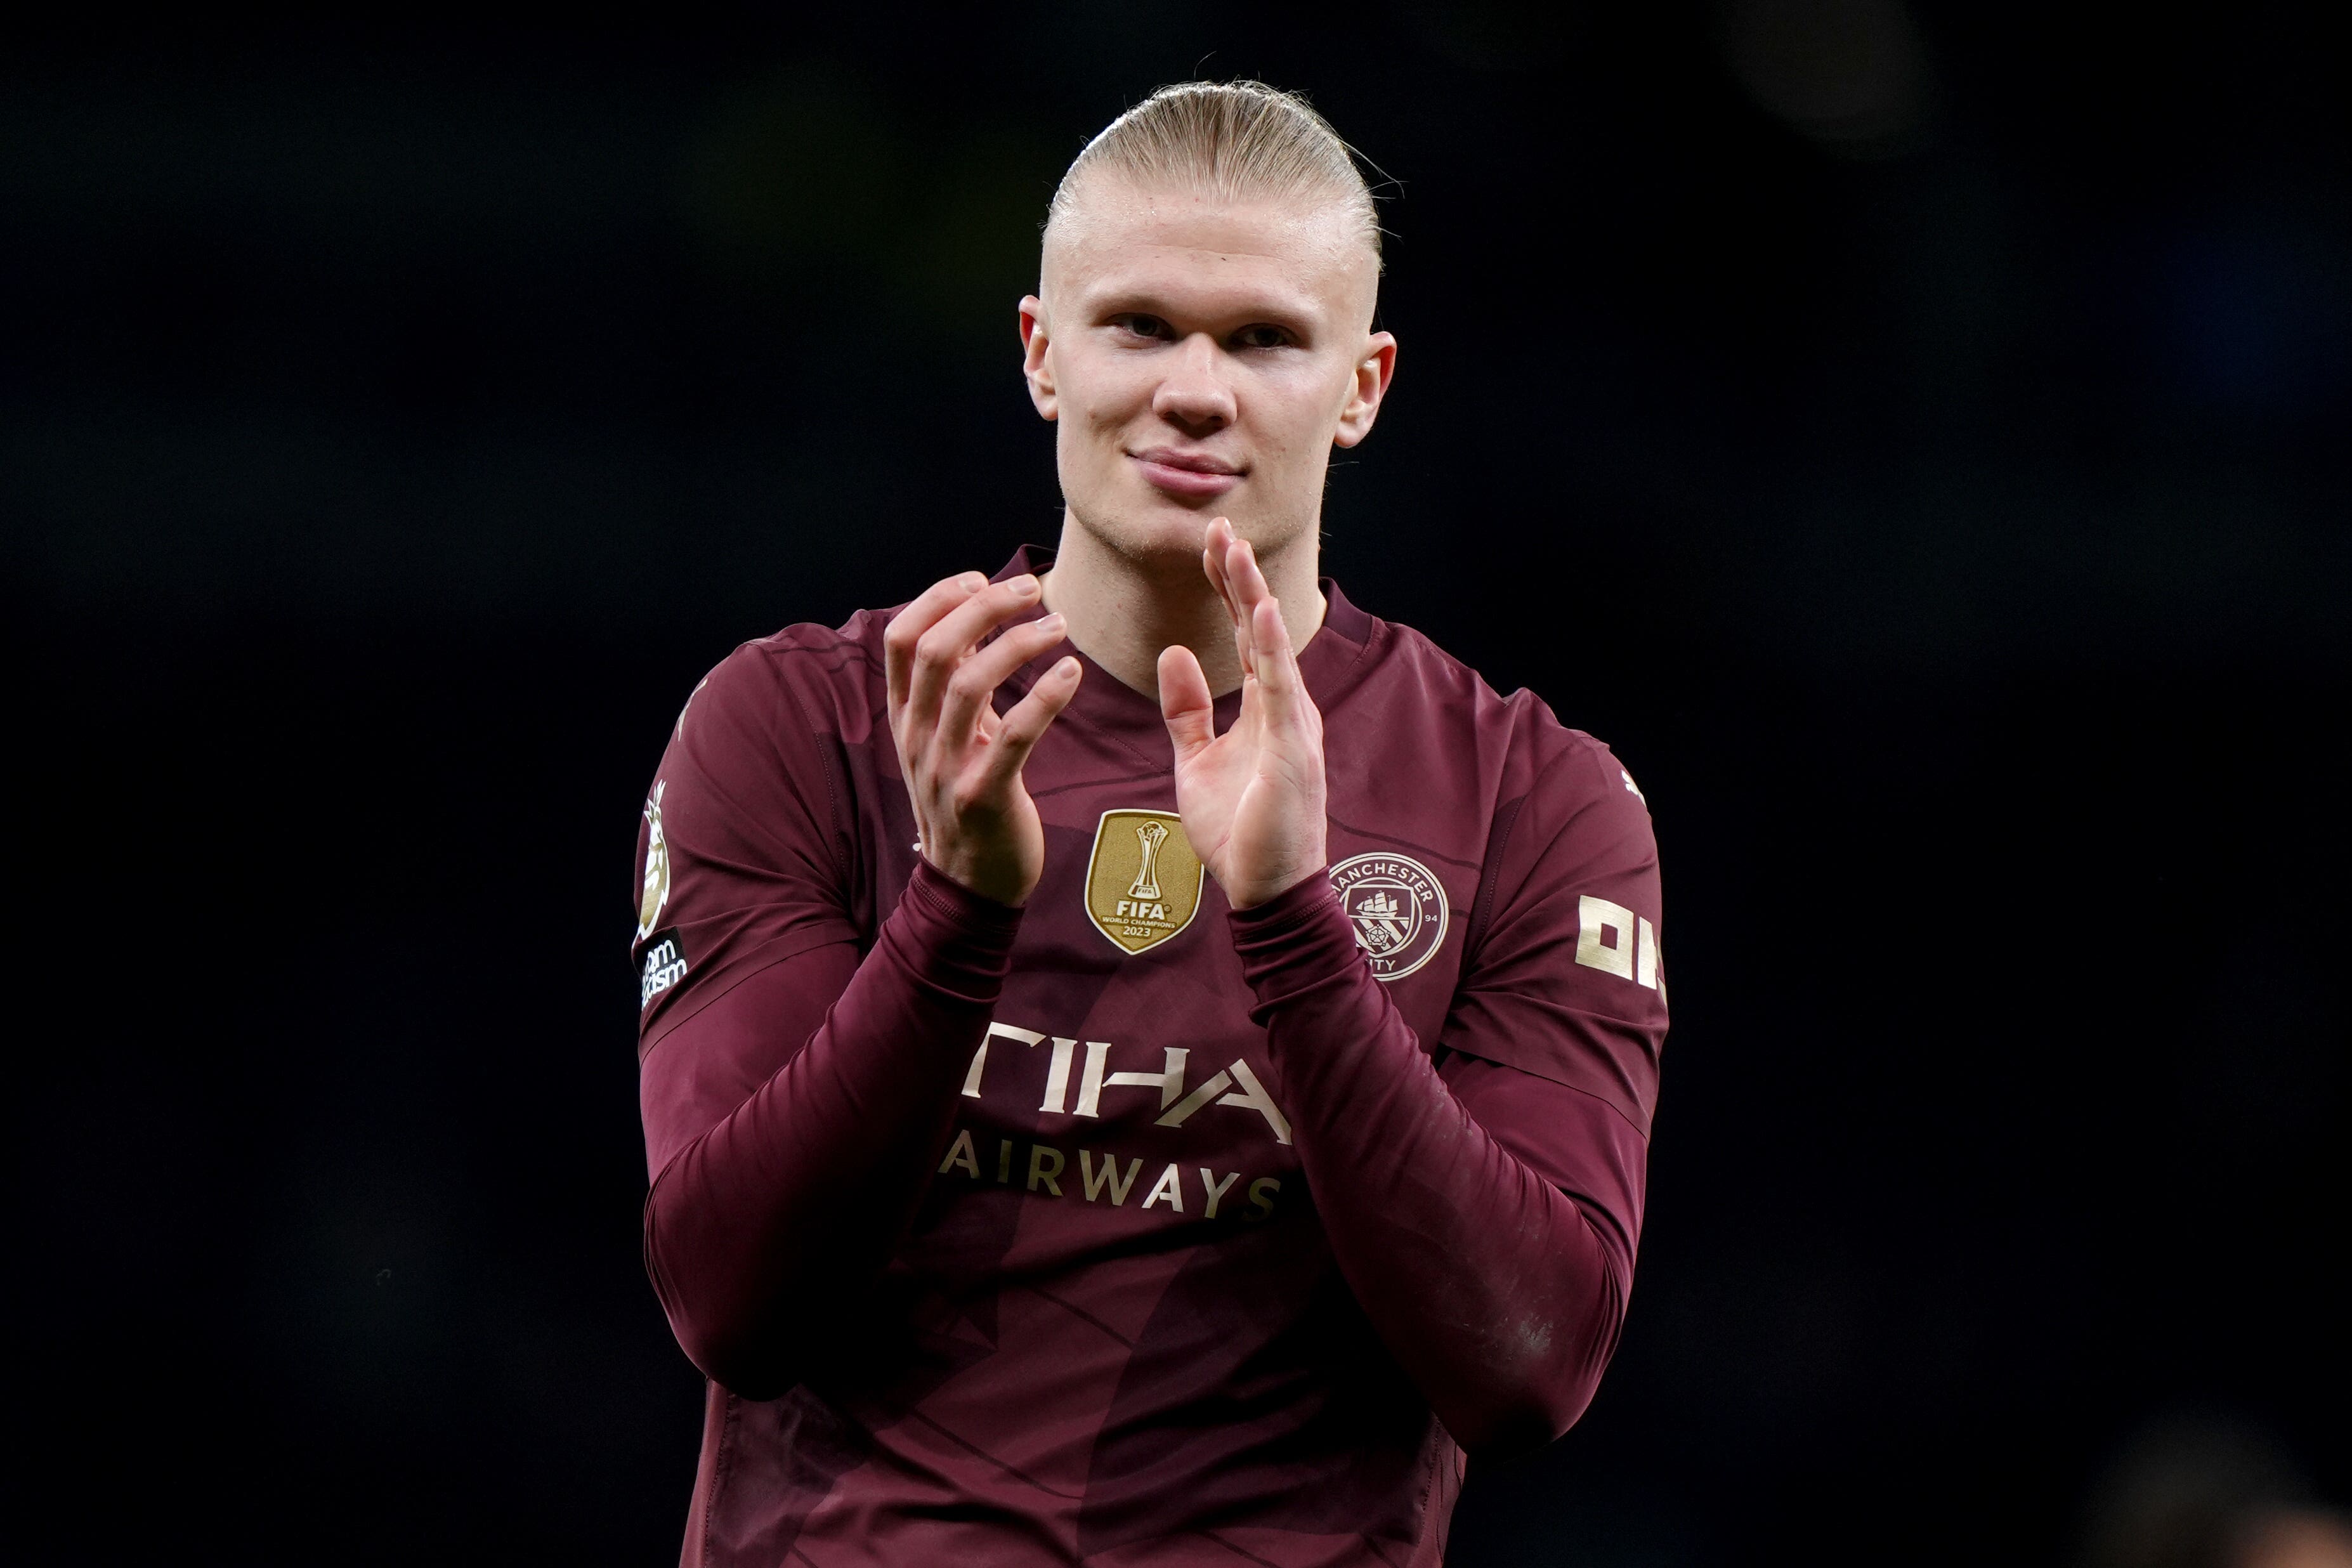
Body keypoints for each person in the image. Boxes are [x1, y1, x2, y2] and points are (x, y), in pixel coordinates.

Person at [630, 81, 1669, 1567]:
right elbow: (733, 1305)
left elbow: (1530, 1370)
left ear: (1363, 386)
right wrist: (954, 911)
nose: (1195, 389)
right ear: (1042, 354)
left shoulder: (1531, 799)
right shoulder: (804, 725)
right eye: (1139, 326)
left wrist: (1296, 929)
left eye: (1263, 339)